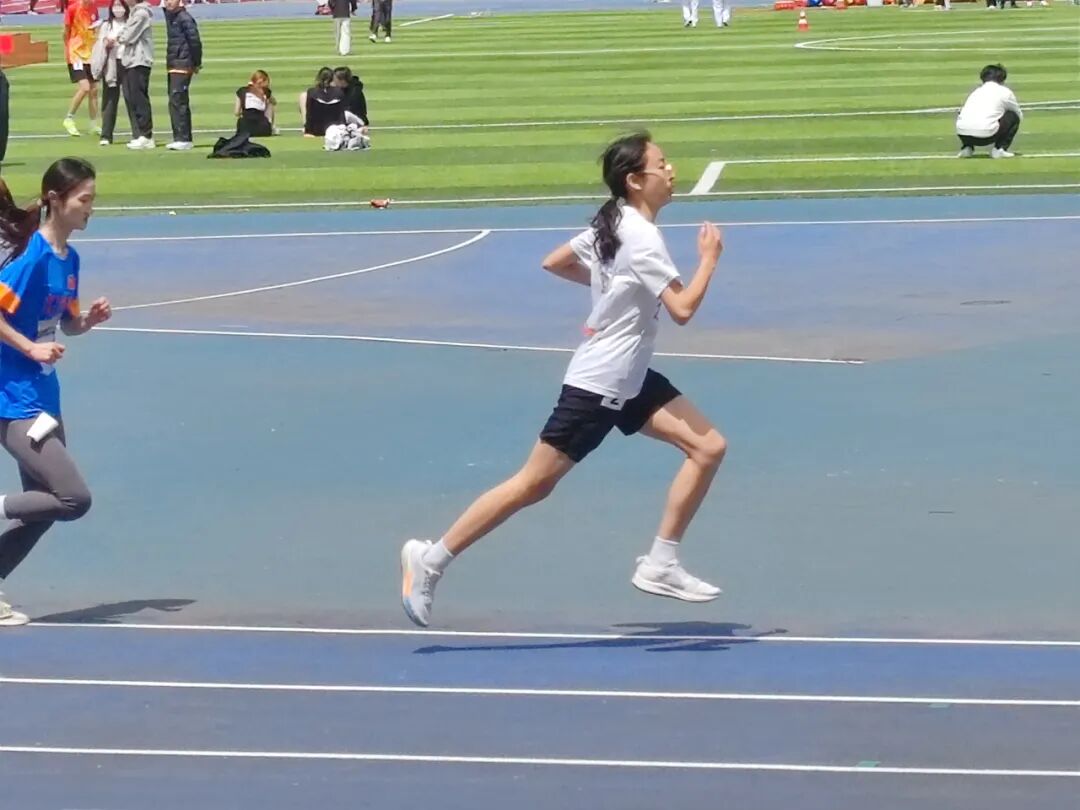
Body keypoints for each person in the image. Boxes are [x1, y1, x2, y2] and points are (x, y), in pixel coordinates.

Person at [400, 132, 727, 628]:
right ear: (635, 180)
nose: (671, 171)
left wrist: (611, 291)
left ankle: (661, 562)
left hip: (630, 376)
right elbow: (682, 308)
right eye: (662, 164)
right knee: (533, 484)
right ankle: (431, 558)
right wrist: (709, 260)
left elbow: (555, 262)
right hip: (602, 383)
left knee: (708, 447)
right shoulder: (641, 237)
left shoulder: (615, 220)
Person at [0, 158, 111, 628]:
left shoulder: (70, 260)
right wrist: (30, 348)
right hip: (12, 396)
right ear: (55, 199)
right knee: (72, 499)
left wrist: (87, 321)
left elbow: (66, 322)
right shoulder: (32, 258)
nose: (90, 208)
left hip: (44, 395)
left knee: (43, 508)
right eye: (84, 199)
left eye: (92, 199)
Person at [956, 64, 1023, 159]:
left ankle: (967, 148)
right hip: (987, 136)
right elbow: (1018, 113)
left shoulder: (975, 92)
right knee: (1013, 115)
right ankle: (999, 149)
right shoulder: (1005, 92)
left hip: (963, 134)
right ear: (1002, 79)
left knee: (964, 115)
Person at [114, 0, 155, 150]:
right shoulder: (135, 12)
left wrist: (120, 36)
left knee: (139, 98)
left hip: (140, 60)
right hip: (132, 60)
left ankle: (147, 135)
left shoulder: (141, 14)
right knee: (133, 98)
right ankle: (142, 134)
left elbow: (127, 36)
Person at [163, 0, 202, 152]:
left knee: (178, 100)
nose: (168, 3)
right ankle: (179, 137)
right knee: (175, 100)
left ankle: (184, 138)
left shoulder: (184, 18)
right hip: (175, 63)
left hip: (182, 64)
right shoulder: (173, 17)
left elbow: (195, 41)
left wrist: (196, 62)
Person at [91, 0, 128, 146]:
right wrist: (106, 43)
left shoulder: (131, 22)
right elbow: (100, 45)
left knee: (132, 99)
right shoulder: (106, 25)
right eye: (115, 6)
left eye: (120, 6)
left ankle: (139, 134)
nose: (118, 9)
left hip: (127, 62)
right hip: (111, 64)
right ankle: (106, 135)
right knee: (110, 100)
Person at [62, 0, 100, 137]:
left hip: (90, 54)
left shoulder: (94, 8)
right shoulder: (73, 9)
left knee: (94, 89)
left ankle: (93, 124)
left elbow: (95, 29)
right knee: (85, 87)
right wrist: (68, 50)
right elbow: (65, 31)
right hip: (76, 54)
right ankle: (69, 118)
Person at [299, 66, 343, 137]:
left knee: (303, 96)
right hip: (335, 130)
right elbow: (341, 114)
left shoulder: (311, 92)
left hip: (316, 130)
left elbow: (309, 114)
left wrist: (308, 130)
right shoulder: (339, 92)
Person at [235, 70, 276, 137]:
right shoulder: (266, 92)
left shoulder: (241, 91)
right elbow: (274, 102)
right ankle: (272, 127)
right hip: (263, 129)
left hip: (244, 130)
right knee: (270, 103)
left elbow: (236, 113)